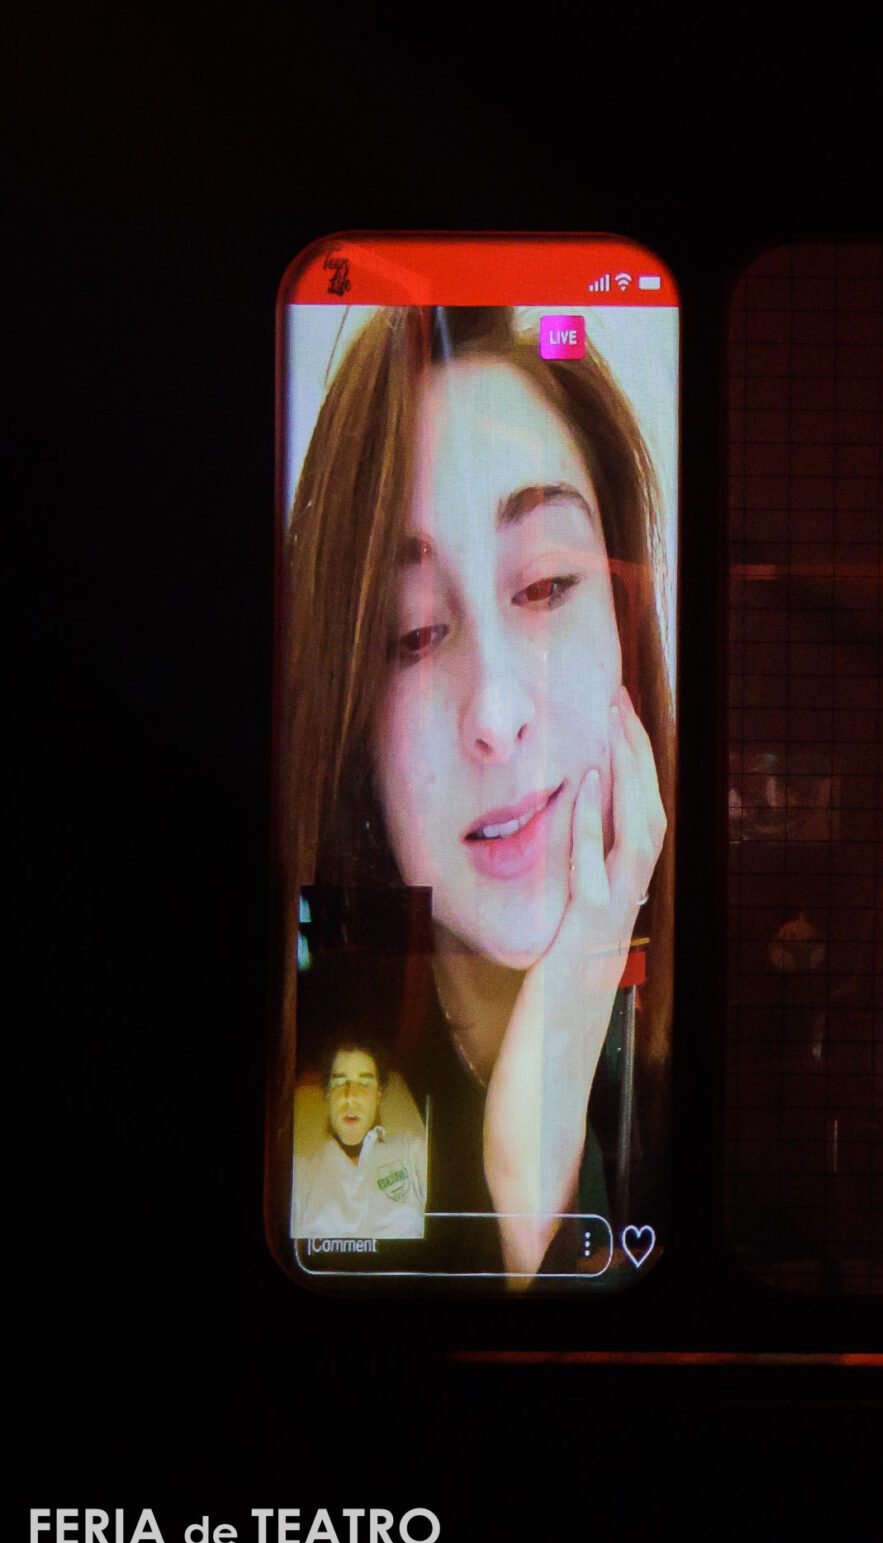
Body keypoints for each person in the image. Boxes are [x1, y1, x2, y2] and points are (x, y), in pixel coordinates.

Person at [281, 306, 672, 1285]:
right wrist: (526, 1191)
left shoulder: (741, 1015)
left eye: (545, 587)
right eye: (413, 634)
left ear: (626, 626)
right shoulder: (342, 1018)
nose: (496, 712)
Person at [291, 1045, 427, 1240]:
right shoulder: (299, 1174)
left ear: (378, 1096)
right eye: (339, 1083)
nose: (350, 1096)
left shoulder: (411, 1152)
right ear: (328, 1095)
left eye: (364, 1084)